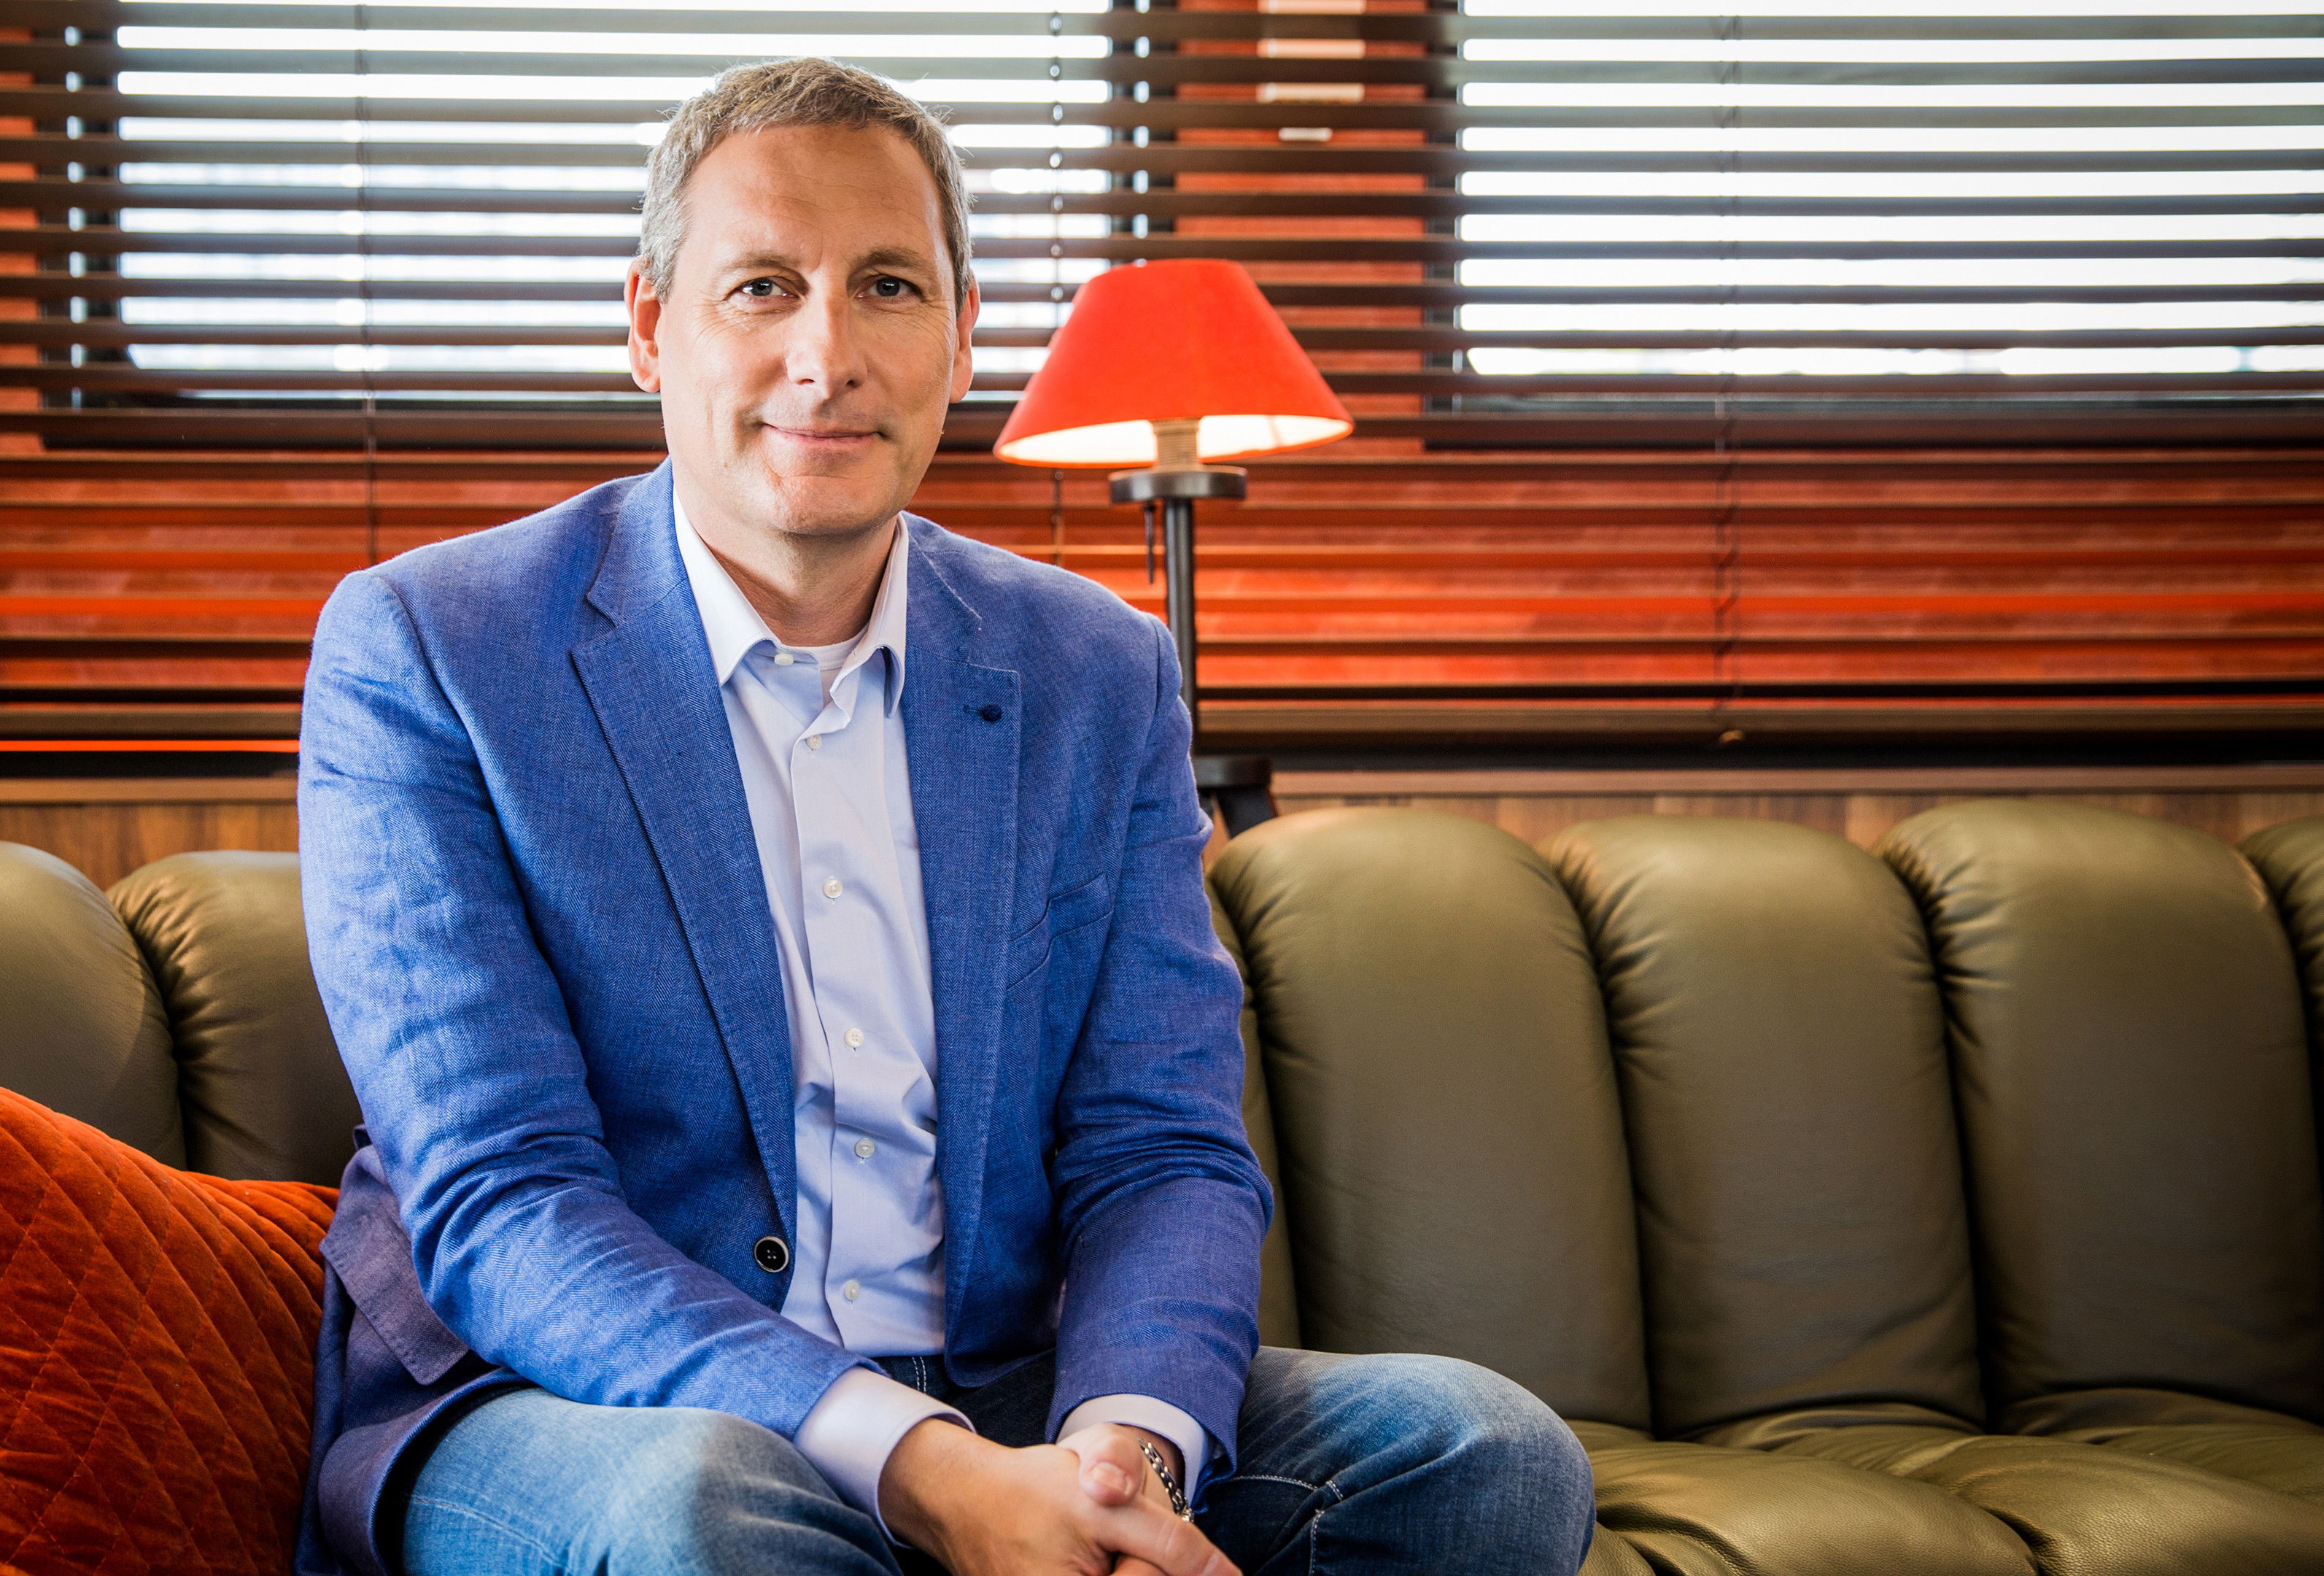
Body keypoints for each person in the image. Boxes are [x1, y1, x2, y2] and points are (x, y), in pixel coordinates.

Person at [293, 55, 1595, 1576]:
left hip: (1003, 1389)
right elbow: (501, 1197)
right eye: (761, 288)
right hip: (584, 1404)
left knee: (1484, 1458)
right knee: (704, 1514)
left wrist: (1121, 1461)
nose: (828, 356)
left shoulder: (1095, 670)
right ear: (650, 328)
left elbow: (1162, 1147)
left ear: (963, 337)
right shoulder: (431, 647)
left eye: (890, 288)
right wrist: (927, 1474)